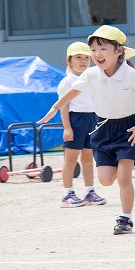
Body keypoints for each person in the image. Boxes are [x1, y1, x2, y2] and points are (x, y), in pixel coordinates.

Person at [38, 25, 135, 235]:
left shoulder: (130, 74)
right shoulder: (91, 74)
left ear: (119, 51)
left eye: (102, 49)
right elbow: (72, 92)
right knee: (106, 180)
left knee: (124, 177)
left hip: (128, 129)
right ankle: (106, 187)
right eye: (93, 50)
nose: (97, 54)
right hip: (102, 128)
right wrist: (54, 109)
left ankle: (125, 219)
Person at [56, 41, 105, 208]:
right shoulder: (67, 82)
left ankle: (89, 191)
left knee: (88, 159)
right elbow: (64, 106)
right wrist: (67, 127)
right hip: (75, 120)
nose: (83, 61)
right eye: (78, 57)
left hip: (92, 119)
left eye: (86, 57)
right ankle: (67, 194)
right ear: (69, 60)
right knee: (70, 160)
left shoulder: (93, 79)